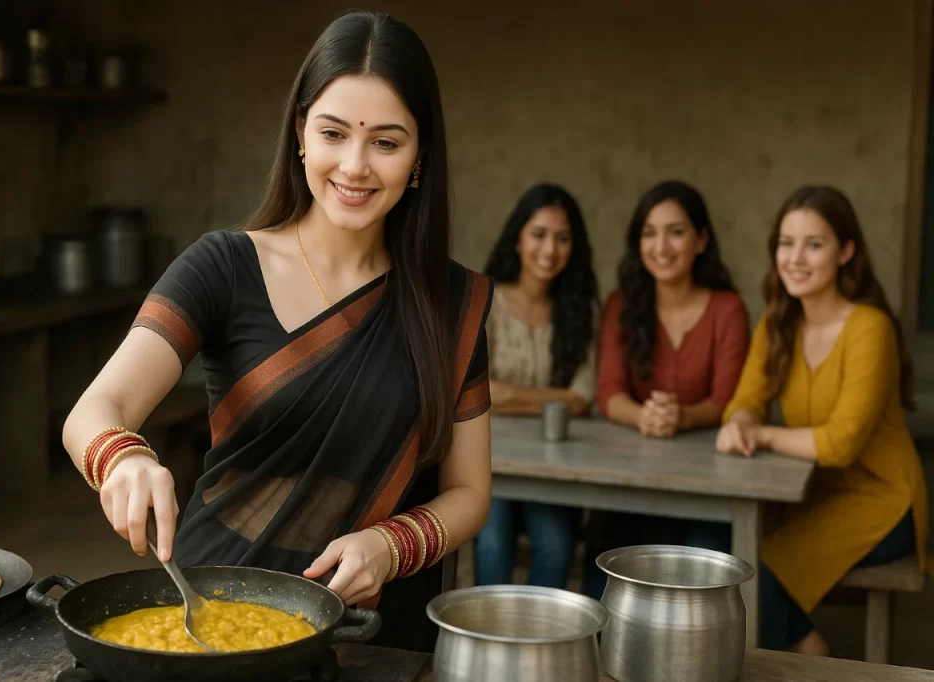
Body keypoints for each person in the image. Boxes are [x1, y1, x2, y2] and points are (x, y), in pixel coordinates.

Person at [62, 12, 494, 653]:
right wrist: (123, 458)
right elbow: (96, 409)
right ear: (300, 134)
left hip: (372, 628)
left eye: (385, 141)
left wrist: (391, 544)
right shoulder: (223, 267)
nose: (354, 166)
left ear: (420, 154)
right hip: (211, 609)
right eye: (333, 132)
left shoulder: (453, 303)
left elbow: (470, 492)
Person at [716, 185, 929, 655]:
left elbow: (840, 445)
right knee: (724, 549)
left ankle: (812, 656)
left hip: (883, 502)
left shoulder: (869, 328)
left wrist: (762, 432)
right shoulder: (776, 326)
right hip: (811, 493)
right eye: (786, 243)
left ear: (846, 252)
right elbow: (742, 402)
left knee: (752, 568)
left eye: (814, 244)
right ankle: (807, 649)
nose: (796, 257)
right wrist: (742, 420)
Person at [584, 180, 749, 598]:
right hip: (632, 479)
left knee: (704, 567)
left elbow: (727, 400)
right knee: (613, 562)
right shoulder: (622, 304)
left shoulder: (727, 308)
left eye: (676, 232)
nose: (662, 246)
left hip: (707, 481)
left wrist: (683, 417)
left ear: (701, 240)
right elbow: (609, 394)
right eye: (649, 232)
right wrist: (643, 416)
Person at [472, 183, 599, 588]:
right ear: (518, 239)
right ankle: (492, 646)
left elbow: (583, 398)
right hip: (487, 457)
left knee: (557, 547)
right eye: (539, 234)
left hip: (554, 466)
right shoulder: (483, 300)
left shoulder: (581, 311)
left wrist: (506, 394)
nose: (550, 249)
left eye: (562, 238)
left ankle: (545, 646)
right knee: (490, 545)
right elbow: (475, 393)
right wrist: (555, 401)